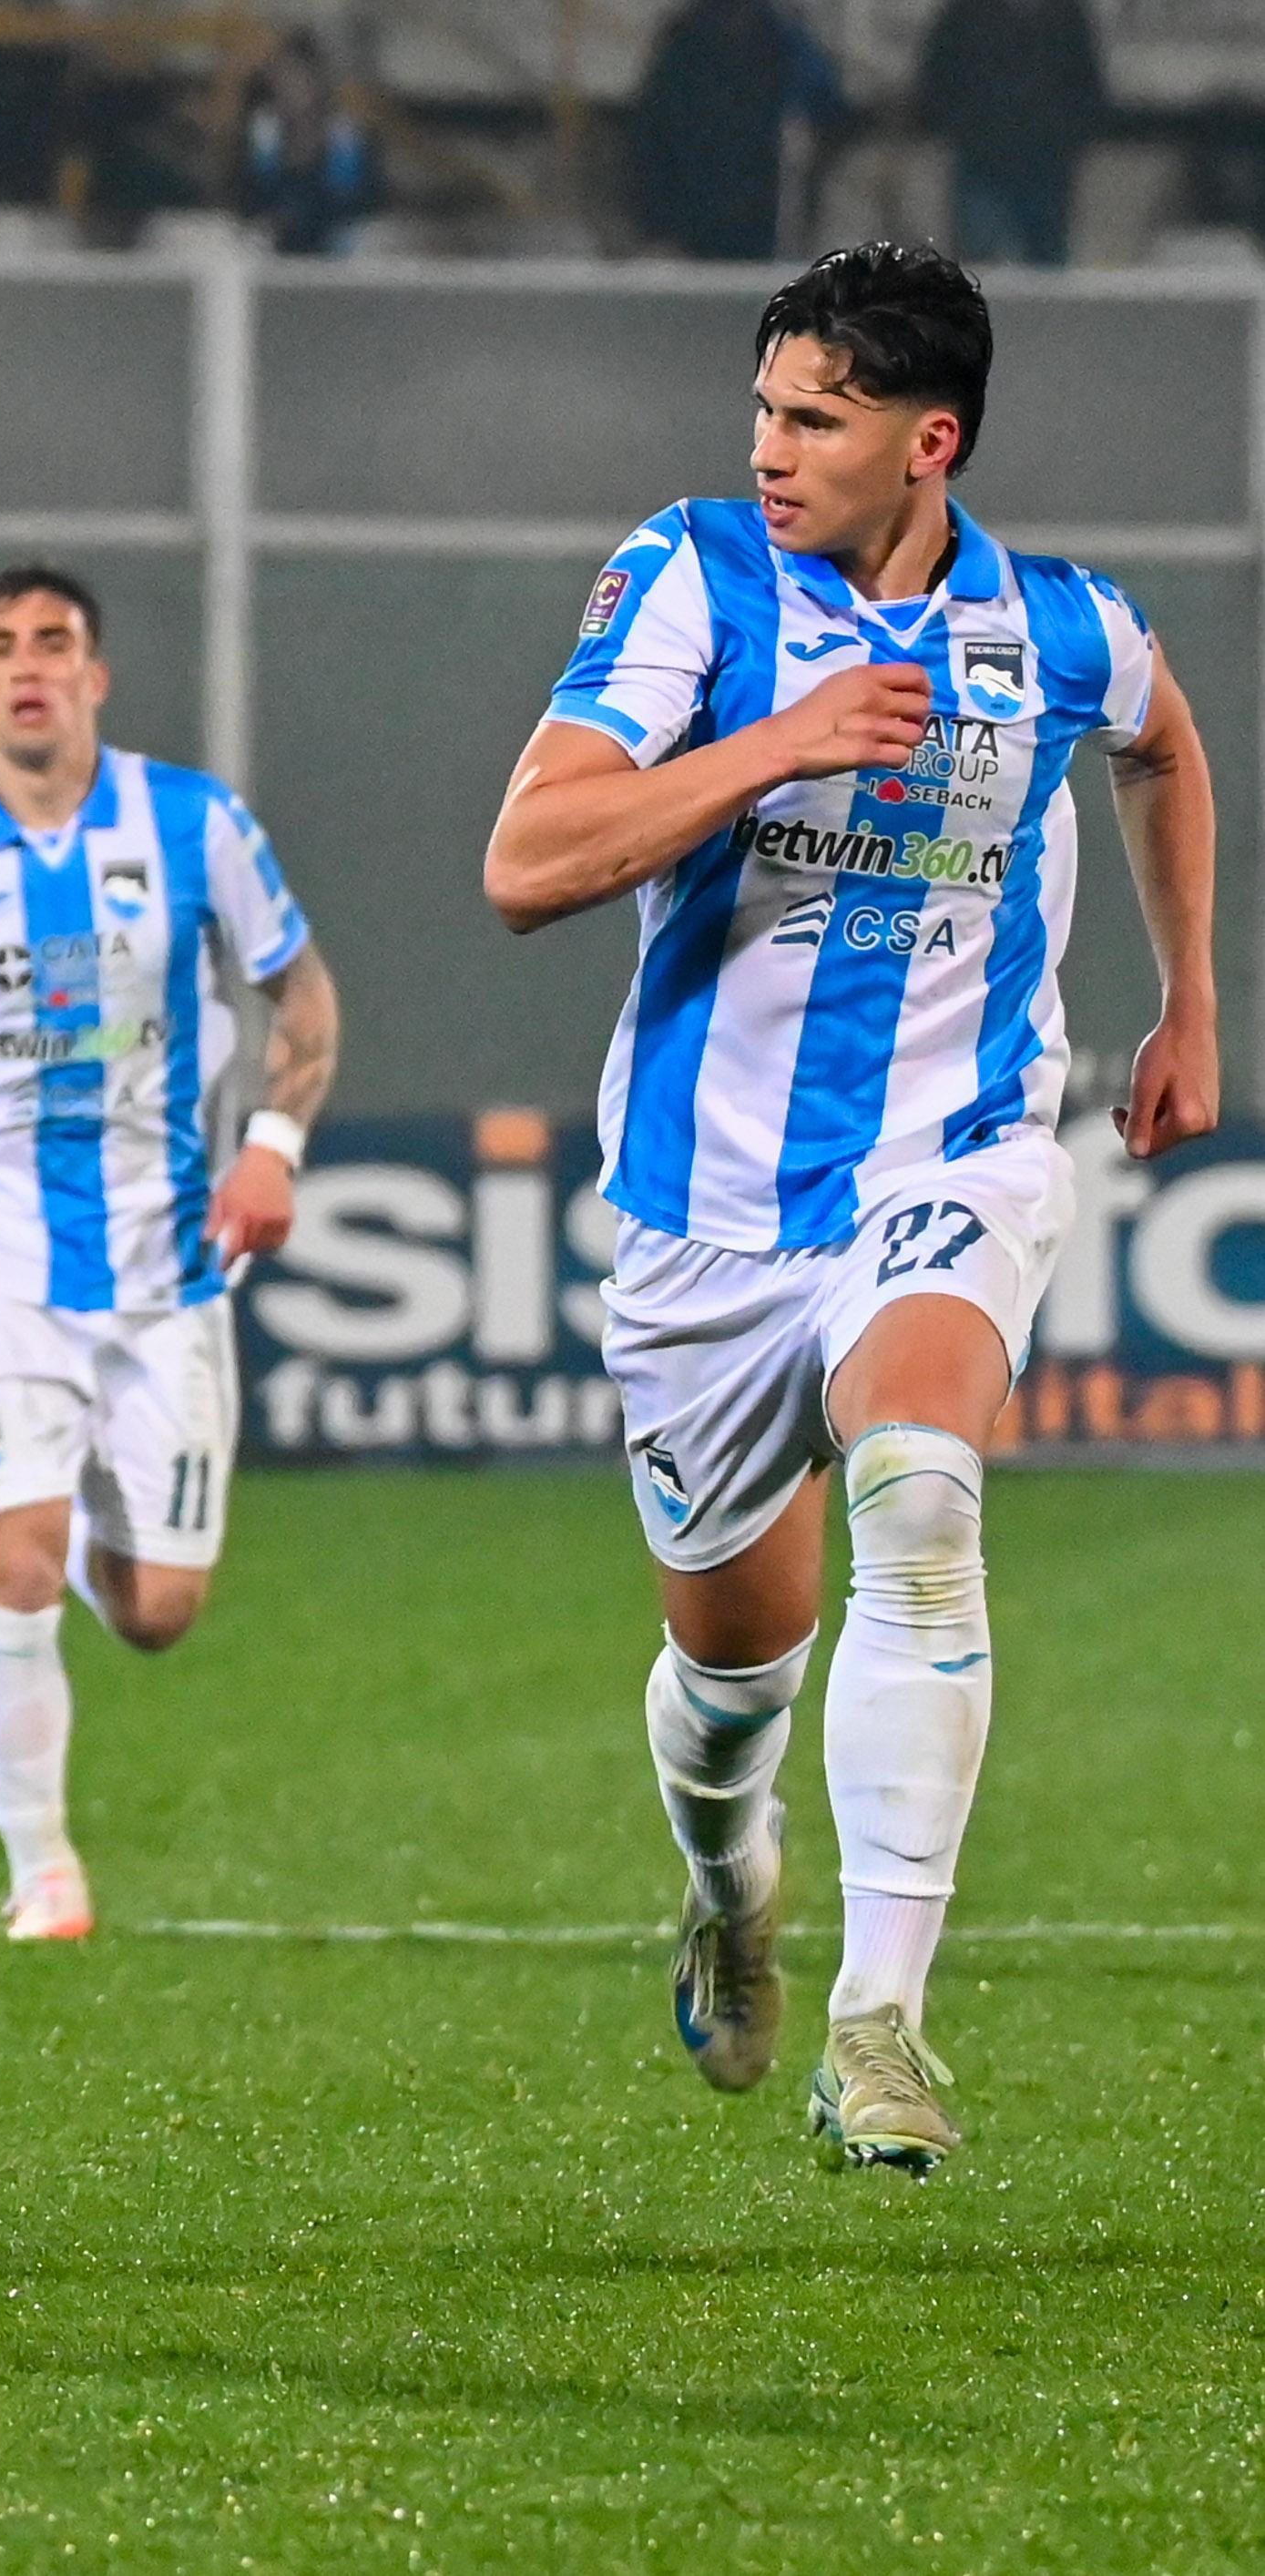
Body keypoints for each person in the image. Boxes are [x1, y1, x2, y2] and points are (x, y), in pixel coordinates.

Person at [485, 243, 1218, 2174]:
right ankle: (727, 1881)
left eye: (813, 418)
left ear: (927, 439)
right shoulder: (690, 577)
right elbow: (526, 859)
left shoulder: (1054, 627)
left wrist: (1187, 1000)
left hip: (951, 1154)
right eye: (762, 409)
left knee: (919, 1485)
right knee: (731, 1673)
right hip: (705, 1216)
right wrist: (776, 743)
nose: (769, 447)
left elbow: (1159, 740)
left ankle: (878, 2022)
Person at [0, 569, 340, 1940]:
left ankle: (91, 1494)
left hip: (166, 1264)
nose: (26, 665)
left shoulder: (195, 824)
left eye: (54, 643)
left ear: (95, 677)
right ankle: (40, 1867)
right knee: (16, 1564)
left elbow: (301, 996)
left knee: (157, 1611)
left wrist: (273, 1145)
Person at [631, 0, 846, 262]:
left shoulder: (781, 39)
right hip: (692, 216)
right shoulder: (684, 47)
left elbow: (822, 97)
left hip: (761, 216)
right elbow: (654, 142)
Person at [917, 0, 1107, 268]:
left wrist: (1068, 136)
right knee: (982, 264)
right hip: (983, 163)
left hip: (1046, 165)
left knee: (1045, 267)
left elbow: (1086, 84)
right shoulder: (968, 11)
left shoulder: (1064, 13)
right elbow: (938, 77)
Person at [238, 32, 375, 256]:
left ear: (318, 83)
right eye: (281, 79)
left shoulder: (345, 139)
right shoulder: (264, 136)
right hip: (271, 248)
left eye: (297, 79)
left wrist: (302, 217)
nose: (287, 89)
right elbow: (247, 196)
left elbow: (357, 203)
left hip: (336, 250)